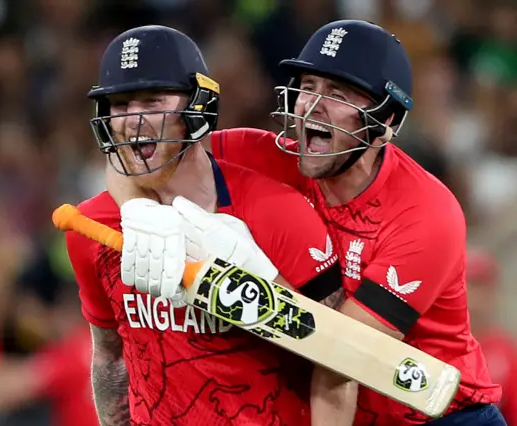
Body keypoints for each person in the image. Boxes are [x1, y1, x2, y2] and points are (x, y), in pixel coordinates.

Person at [106, 20, 505, 426]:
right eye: (308, 86)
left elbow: (347, 354)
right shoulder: (260, 154)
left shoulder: (426, 213)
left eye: (337, 93)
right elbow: (141, 152)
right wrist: (140, 213)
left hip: (443, 418)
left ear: (385, 122)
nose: (310, 107)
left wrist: (262, 280)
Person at [66, 25, 344, 425]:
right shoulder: (91, 226)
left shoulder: (278, 210)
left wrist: (267, 289)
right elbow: (110, 356)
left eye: (153, 100)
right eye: (121, 104)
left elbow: (342, 361)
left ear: (198, 106)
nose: (133, 121)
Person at [466, 249, 517, 425]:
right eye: (468, 284)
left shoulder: (504, 351)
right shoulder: (430, 343)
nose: (475, 296)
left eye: (482, 286)